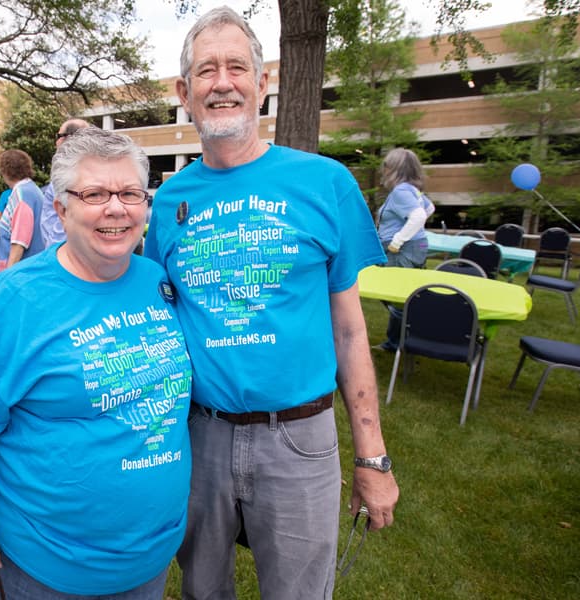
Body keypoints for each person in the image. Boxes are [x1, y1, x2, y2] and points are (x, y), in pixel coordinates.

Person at [143, 7, 399, 599]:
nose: (223, 82)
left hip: (299, 439)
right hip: (198, 436)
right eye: (206, 71)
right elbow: (155, 322)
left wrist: (373, 457)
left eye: (238, 67)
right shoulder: (166, 203)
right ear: (185, 92)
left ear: (262, 85)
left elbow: (350, 331)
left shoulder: (325, 183)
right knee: (202, 591)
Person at [0, 127, 192, 599]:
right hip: (46, 567)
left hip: (149, 558)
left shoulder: (158, 281)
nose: (115, 208)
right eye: (94, 194)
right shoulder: (10, 302)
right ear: (60, 209)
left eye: (130, 193)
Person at [374, 147, 435, 352]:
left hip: (402, 250)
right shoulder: (410, 190)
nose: (384, 170)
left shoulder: (401, 191)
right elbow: (429, 208)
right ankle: (399, 340)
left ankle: (402, 341)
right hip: (411, 248)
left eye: (387, 166)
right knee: (400, 296)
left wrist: (398, 240)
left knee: (397, 297)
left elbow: (419, 216)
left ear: (395, 169)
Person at [40, 118, 91, 247]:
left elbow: (61, 230)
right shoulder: (92, 172)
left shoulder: (68, 176)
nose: (56, 142)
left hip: (62, 256)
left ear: (65, 138)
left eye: (58, 136)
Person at [0, 149, 45, 271]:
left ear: (5, 171)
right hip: (31, 267)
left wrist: (7, 277)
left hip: (21, 271)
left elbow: (19, 242)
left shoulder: (22, 194)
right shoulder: (32, 189)